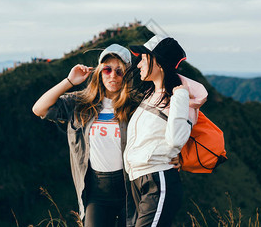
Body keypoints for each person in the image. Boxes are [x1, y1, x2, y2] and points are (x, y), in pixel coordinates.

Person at [33, 44, 181, 227]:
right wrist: (69, 81)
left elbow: (168, 128)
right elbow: (39, 109)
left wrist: (179, 155)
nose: (112, 76)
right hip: (97, 193)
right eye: (107, 69)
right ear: (99, 72)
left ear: (128, 74)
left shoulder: (139, 105)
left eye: (119, 71)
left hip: (130, 189)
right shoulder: (81, 103)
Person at [123, 35, 208, 227]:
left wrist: (181, 96)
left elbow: (176, 140)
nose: (138, 65)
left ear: (159, 63)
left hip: (158, 180)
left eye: (143, 59)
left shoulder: (181, 100)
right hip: (138, 179)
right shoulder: (151, 95)